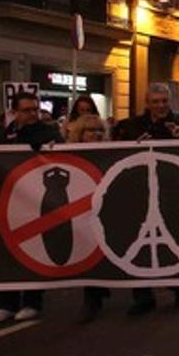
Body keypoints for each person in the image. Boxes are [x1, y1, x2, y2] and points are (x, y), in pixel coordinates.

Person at [113, 83, 179, 315]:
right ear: (147, 103)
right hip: (139, 191)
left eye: (164, 101)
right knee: (136, 242)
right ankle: (142, 296)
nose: (160, 106)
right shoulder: (131, 126)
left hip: (170, 192)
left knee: (173, 239)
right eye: (155, 102)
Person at [0, 91, 62, 323]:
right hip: (6, 199)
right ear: (13, 112)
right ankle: (5, 303)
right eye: (26, 110)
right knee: (5, 252)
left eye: (34, 110)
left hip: (33, 199)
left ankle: (31, 301)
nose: (31, 114)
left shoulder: (48, 133)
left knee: (32, 250)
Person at [66, 113, 112, 322]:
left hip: (107, 210)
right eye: (91, 131)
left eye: (100, 130)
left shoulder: (112, 152)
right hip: (84, 211)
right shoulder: (69, 154)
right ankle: (92, 298)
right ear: (79, 134)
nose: (97, 135)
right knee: (88, 251)